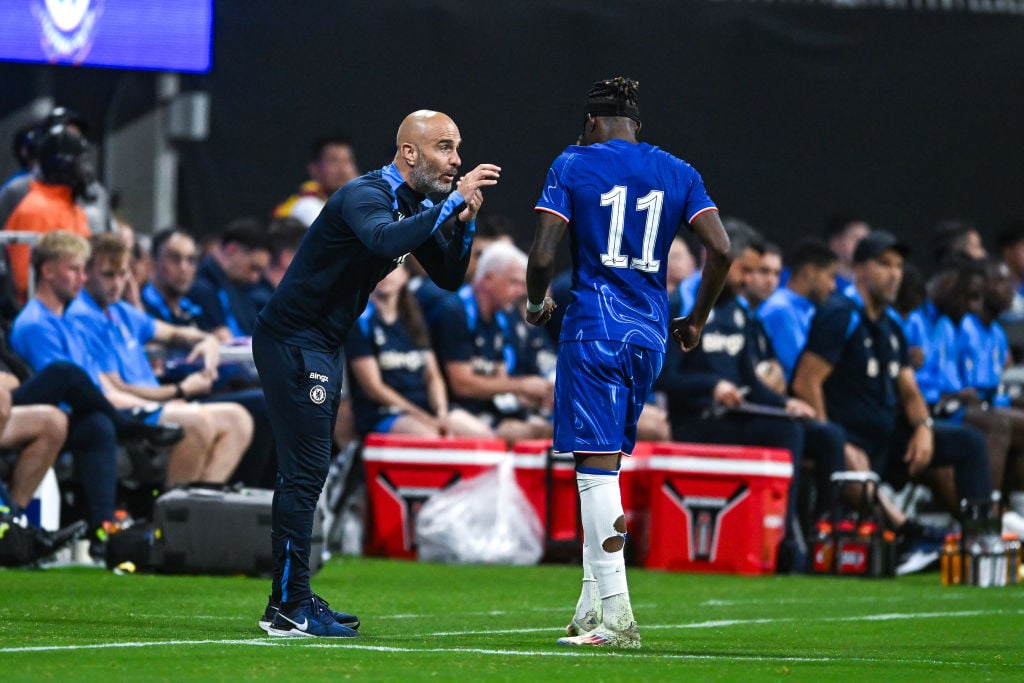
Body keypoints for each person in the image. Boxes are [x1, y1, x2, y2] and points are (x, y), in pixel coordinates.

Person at [253, 109, 500, 638]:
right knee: (305, 472)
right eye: (444, 148)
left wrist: (466, 219)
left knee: (308, 471)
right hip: (293, 340)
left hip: (321, 342)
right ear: (409, 153)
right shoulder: (364, 194)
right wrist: (450, 204)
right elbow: (387, 242)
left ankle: (286, 602)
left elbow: (451, 277)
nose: (457, 161)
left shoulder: (421, 203)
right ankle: (292, 605)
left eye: (457, 149)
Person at [524, 77, 731, 649]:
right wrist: (697, 319)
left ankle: (617, 618)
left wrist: (536, 301)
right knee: (603, 467)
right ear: (638, 125)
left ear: (591, 123)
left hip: (593, 327)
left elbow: (542, 254)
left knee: (594, 471)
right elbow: (722, 248)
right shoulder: (679, 171)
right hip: (649, 335)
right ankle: (590, 608)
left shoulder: (573, 162)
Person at [790, 231, 993, 568]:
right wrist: (833, 439)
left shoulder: (889, 325)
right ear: (859, 270)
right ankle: (908, 535)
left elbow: (909, 389)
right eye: (884, 264)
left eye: (898, 266)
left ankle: (980, 543)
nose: (894, 274)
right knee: (853, 463)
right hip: (852, 440)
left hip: (888, 440)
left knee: (969, 441)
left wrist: (924, 428)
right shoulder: (841, 314)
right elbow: (806, 381)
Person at [8, 231, 185, 555]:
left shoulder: (69, 322)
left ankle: (103, 534)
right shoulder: (35, 323)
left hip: (66, 411)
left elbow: (91, 384)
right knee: (65, 374)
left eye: (82, 269)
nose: (82, 277)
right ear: (47, 271)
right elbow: (58, 387)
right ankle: (128, 427)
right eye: (74, 269)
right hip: (30, 409)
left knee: (97, 427)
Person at [68, 233, 254, 488]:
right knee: (198, 422)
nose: (117, 284)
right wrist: (178, 391)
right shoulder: (82, 317)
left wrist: (207, 342)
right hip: (132, 408)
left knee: (238, 420)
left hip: (157, 401)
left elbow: (176, 333)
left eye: (123, 275)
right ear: (86, 273)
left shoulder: (120, 311)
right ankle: (172, 515)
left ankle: (201, 505)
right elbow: (115, 388)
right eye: (109, 275)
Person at [430, 241, 554, 444]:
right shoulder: (455, 311)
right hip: (456, 410)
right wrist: (521, 386)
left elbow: (500, 379)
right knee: (525, 434)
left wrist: (531, 394)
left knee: (547, 428)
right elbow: (462, 384)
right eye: (514, 283)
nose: (520, 292)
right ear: (487, 279)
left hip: (490, 407)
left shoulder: (503, 315)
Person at [346, 265, 491, 437]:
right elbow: (373, 387)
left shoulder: (413, 320)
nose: (385, 274)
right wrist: (421, 416)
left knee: (484, 436)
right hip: (383, 412)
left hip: (424, 407)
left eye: (392, 268)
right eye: (380, 268)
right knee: (434, 439)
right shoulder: (361, 321)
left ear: (405, 275)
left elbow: (433, 376)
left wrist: (441, 412)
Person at [2, 123, 92, 303]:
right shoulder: (35, 210)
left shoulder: (74, 209)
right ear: (63, 166)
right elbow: (26, 282)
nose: (86, 171)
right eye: (80, 162)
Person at [758, 239, 838, 381]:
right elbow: (800, 370)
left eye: (776, 273)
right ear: (810, 272)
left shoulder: (808, 310)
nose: (833, 286)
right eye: (830, 276)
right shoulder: (780, 309)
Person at [187, 219, 271, 340]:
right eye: (253, 267)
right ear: (232, 250)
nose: (255, 278)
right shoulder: (202, 289)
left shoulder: (239, 288)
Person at [273, 135, 360, 226]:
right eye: (333, 161)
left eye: (348, 161)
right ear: (314, 169)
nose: (343, 170)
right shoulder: (307, 205)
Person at [823, 214, 870, 291]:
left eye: (866, 241)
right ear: (835, 243)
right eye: (856, 239)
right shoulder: (820, 285)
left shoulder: (872, 287)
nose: (862, 246)